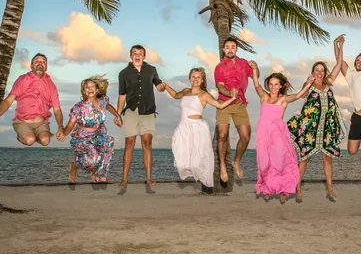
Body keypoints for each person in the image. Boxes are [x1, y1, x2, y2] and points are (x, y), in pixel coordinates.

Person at [288, 35, 347, 201]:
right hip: (311, 128)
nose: (320, 73)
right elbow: (302, 96)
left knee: (327, 158)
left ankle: (330, 188)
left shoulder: (328, 83)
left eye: (322, 70)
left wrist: (338, 45)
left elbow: (339, 64)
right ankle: (297, 187)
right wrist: (307, 83)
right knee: (304, 158)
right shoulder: (309, 84)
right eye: (317, 70)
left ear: (324, 73)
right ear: (313, 72)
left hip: (327, 128)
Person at [162, 68, 237, 187]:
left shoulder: (204, 95)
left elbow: (220, 105)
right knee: (180, 160)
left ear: (202, 80)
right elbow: (175, 95)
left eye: (198, 77)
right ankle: (192, 174)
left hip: (197, 128)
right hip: (183, 128)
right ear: (189, 78)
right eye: (193, 77)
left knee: (198, 161)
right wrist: (166, 86)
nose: (195, 79)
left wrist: (233, 98)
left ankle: (211, 176)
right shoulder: (186, 91)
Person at [251, 68, 314, 203]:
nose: (273, 87)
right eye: (271, 84)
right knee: (264, 163)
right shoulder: (264, 97)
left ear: (281, 85)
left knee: (280, 162)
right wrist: (254, 70)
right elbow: (256, 84)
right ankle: (268, 187)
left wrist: (308, 84)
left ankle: (284, 189)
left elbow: (298, 95)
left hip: (277, 134)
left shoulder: (283, 99)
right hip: (263, 135)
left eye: (276, 84)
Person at [0, 53, 63, 146]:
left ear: (46, 67)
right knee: (30, 140)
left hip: (41, 123)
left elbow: (57, 109)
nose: (40, 63)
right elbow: (9, 100)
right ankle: (22, 136)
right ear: (31, 66)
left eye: (43, 62)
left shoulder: (51, 85)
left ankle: (39, 135)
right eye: (37, 61)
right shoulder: (22, 79)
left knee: (45, 141)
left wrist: (60, 127)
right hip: (23, 122)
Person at [117, 45, 165, 188]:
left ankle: (149, 179)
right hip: (131, 111)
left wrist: (161, 87)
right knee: (129, 143)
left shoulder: (151, 70)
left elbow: (158, 85)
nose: (137, 56)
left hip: (148, 111)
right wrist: (118, 114)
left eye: (140, 53)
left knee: (147, 143)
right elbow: (122, 95)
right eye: (134, 53)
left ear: (144, 56)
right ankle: (124, 179)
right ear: (130, 56)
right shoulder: (123, 73)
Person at [57, 76, 120, 183]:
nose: (90, 89)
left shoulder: (103, 101)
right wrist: (64, 133)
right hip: (83, 138)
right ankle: (75, 165)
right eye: (87, 87)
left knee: (109, 142)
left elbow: (108, 106)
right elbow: (71, 124)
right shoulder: (78, 107)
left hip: (99, 134)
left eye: (92, 87)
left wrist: (117, 115)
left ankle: (100, 174)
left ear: (97, 89)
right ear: (83, 91)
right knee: (93, 159)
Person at [214, 37, 257, 183]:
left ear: (236, 49)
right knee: (222, 135)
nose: (230, 49)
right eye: (227, 47)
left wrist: (255, 67)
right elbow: (220, 86)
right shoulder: (219, 67)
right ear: (223, 50)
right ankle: (222, 166)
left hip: (240, 103)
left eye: (233, 47)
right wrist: (228, 93)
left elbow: (255, 75)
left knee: (245, 137)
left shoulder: (244, 63)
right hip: (224, 103)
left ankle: (236, 161)